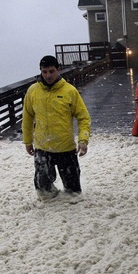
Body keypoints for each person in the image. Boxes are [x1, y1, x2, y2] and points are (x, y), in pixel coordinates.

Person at [22, 55, 91, 200]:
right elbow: (27, 117)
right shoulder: (33, 91)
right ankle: (48, 215)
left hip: (65, 147)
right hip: (42, 147)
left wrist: (83, 140)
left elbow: (83, 117)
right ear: (40, 71)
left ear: (58, 70)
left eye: (51, 71)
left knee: (73, 193)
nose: (48, 75)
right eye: (45, 71)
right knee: (43, 191)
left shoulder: (69, 91)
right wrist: (28, 141)